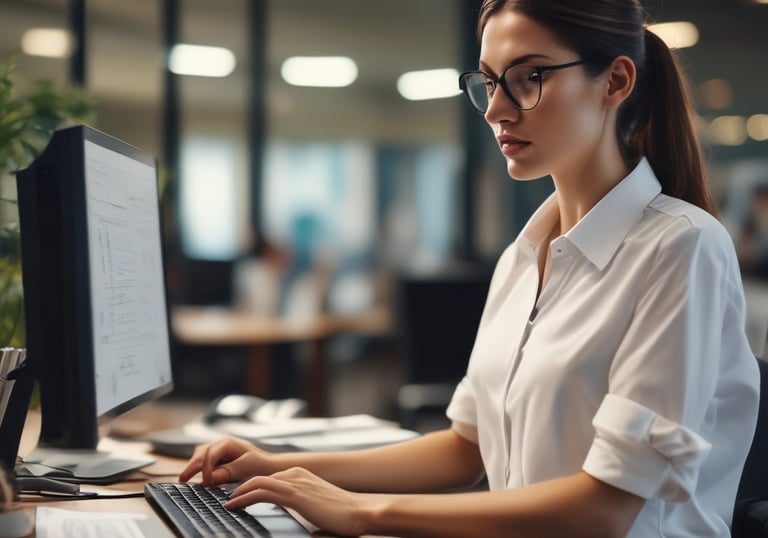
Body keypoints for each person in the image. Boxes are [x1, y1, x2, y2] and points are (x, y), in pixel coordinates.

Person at [179, 1, 760, 536]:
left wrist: (360, 510)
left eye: (529, 77)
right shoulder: (522, 256)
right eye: (488, 82)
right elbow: (465, 448)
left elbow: (605, 509)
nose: (496, 109)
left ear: (615, 81)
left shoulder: (682, 248)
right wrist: (282, 468)